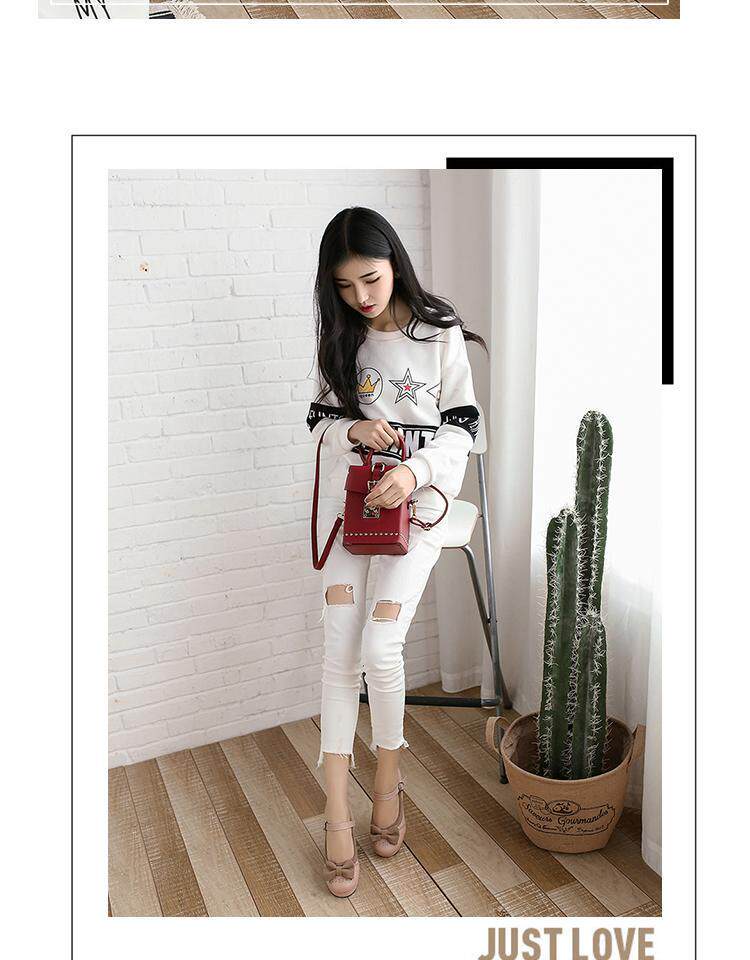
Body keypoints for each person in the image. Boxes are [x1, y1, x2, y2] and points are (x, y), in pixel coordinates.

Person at [306, 206, 486, 897]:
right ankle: (337, 809)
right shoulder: (341, 334)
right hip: (351, 511)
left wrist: (414, 472)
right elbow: (319, 423)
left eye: (371, 280)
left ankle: (387, 780)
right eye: (344, 285)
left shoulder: (438, 331)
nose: (361, 297)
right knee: (338, 647)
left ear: (394, 265)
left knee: (380, 648)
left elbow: (464, 427)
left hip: (417, 510)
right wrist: (354, 431)